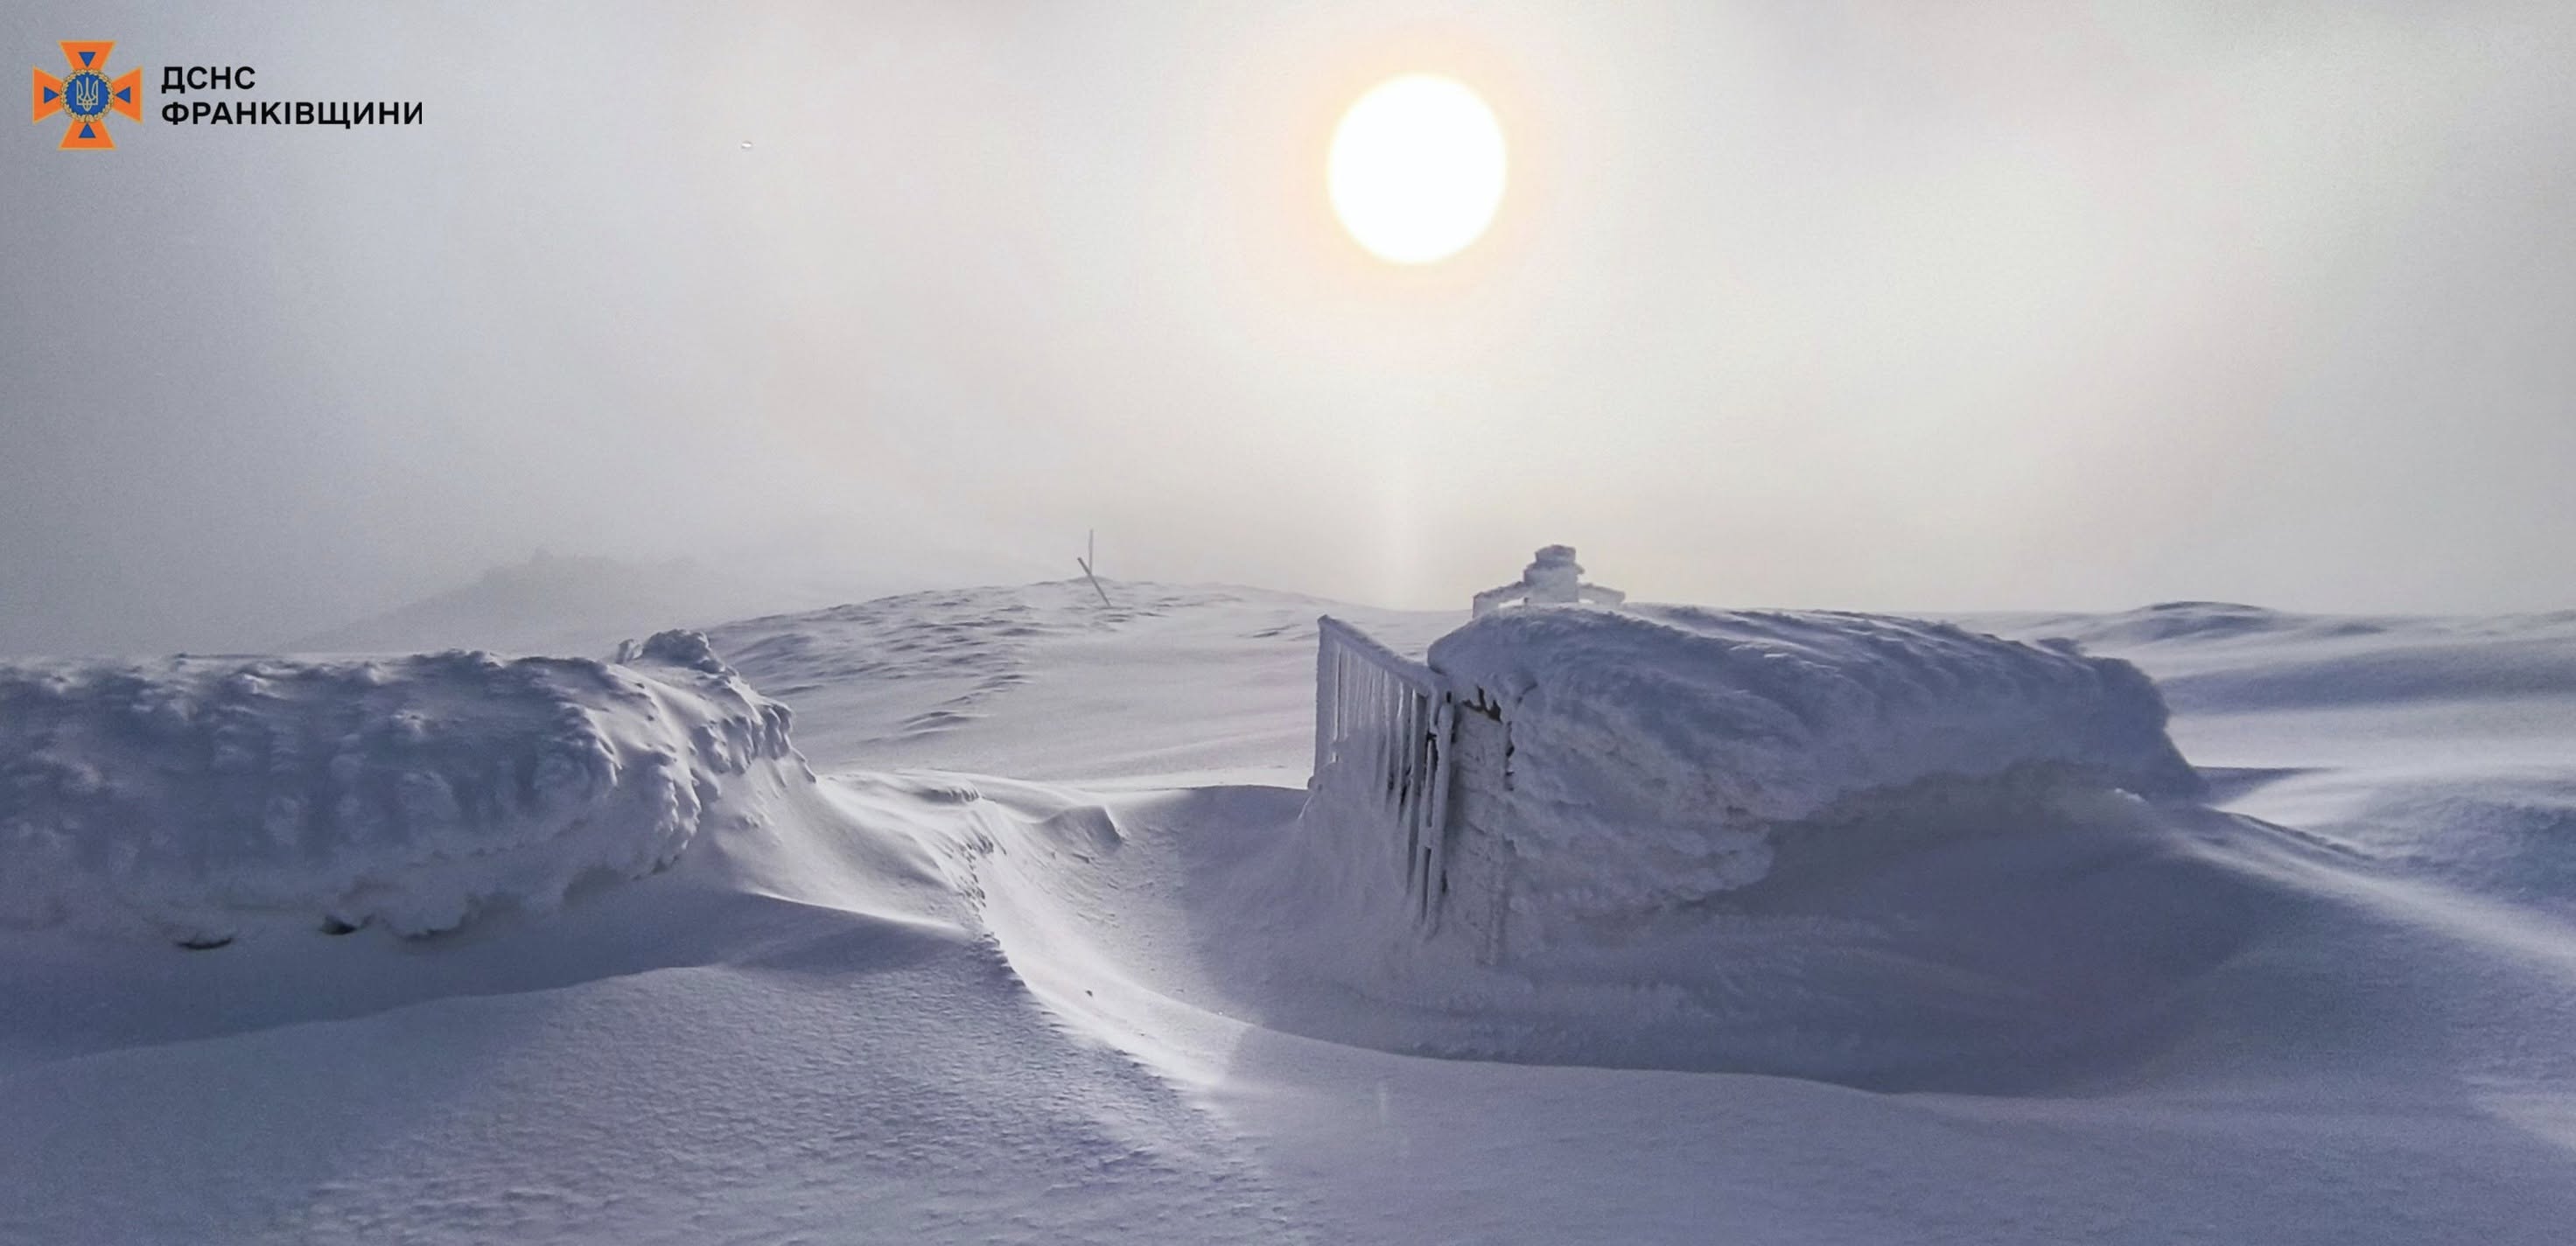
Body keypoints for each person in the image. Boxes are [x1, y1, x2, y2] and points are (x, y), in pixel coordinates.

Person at [1471, 545, 1626, 616]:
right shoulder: (1574, 589)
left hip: (1534, 631)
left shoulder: (1531, 588)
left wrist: (1483, 630)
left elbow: (1485, 601)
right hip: (1569, 628)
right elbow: (1612, 599)